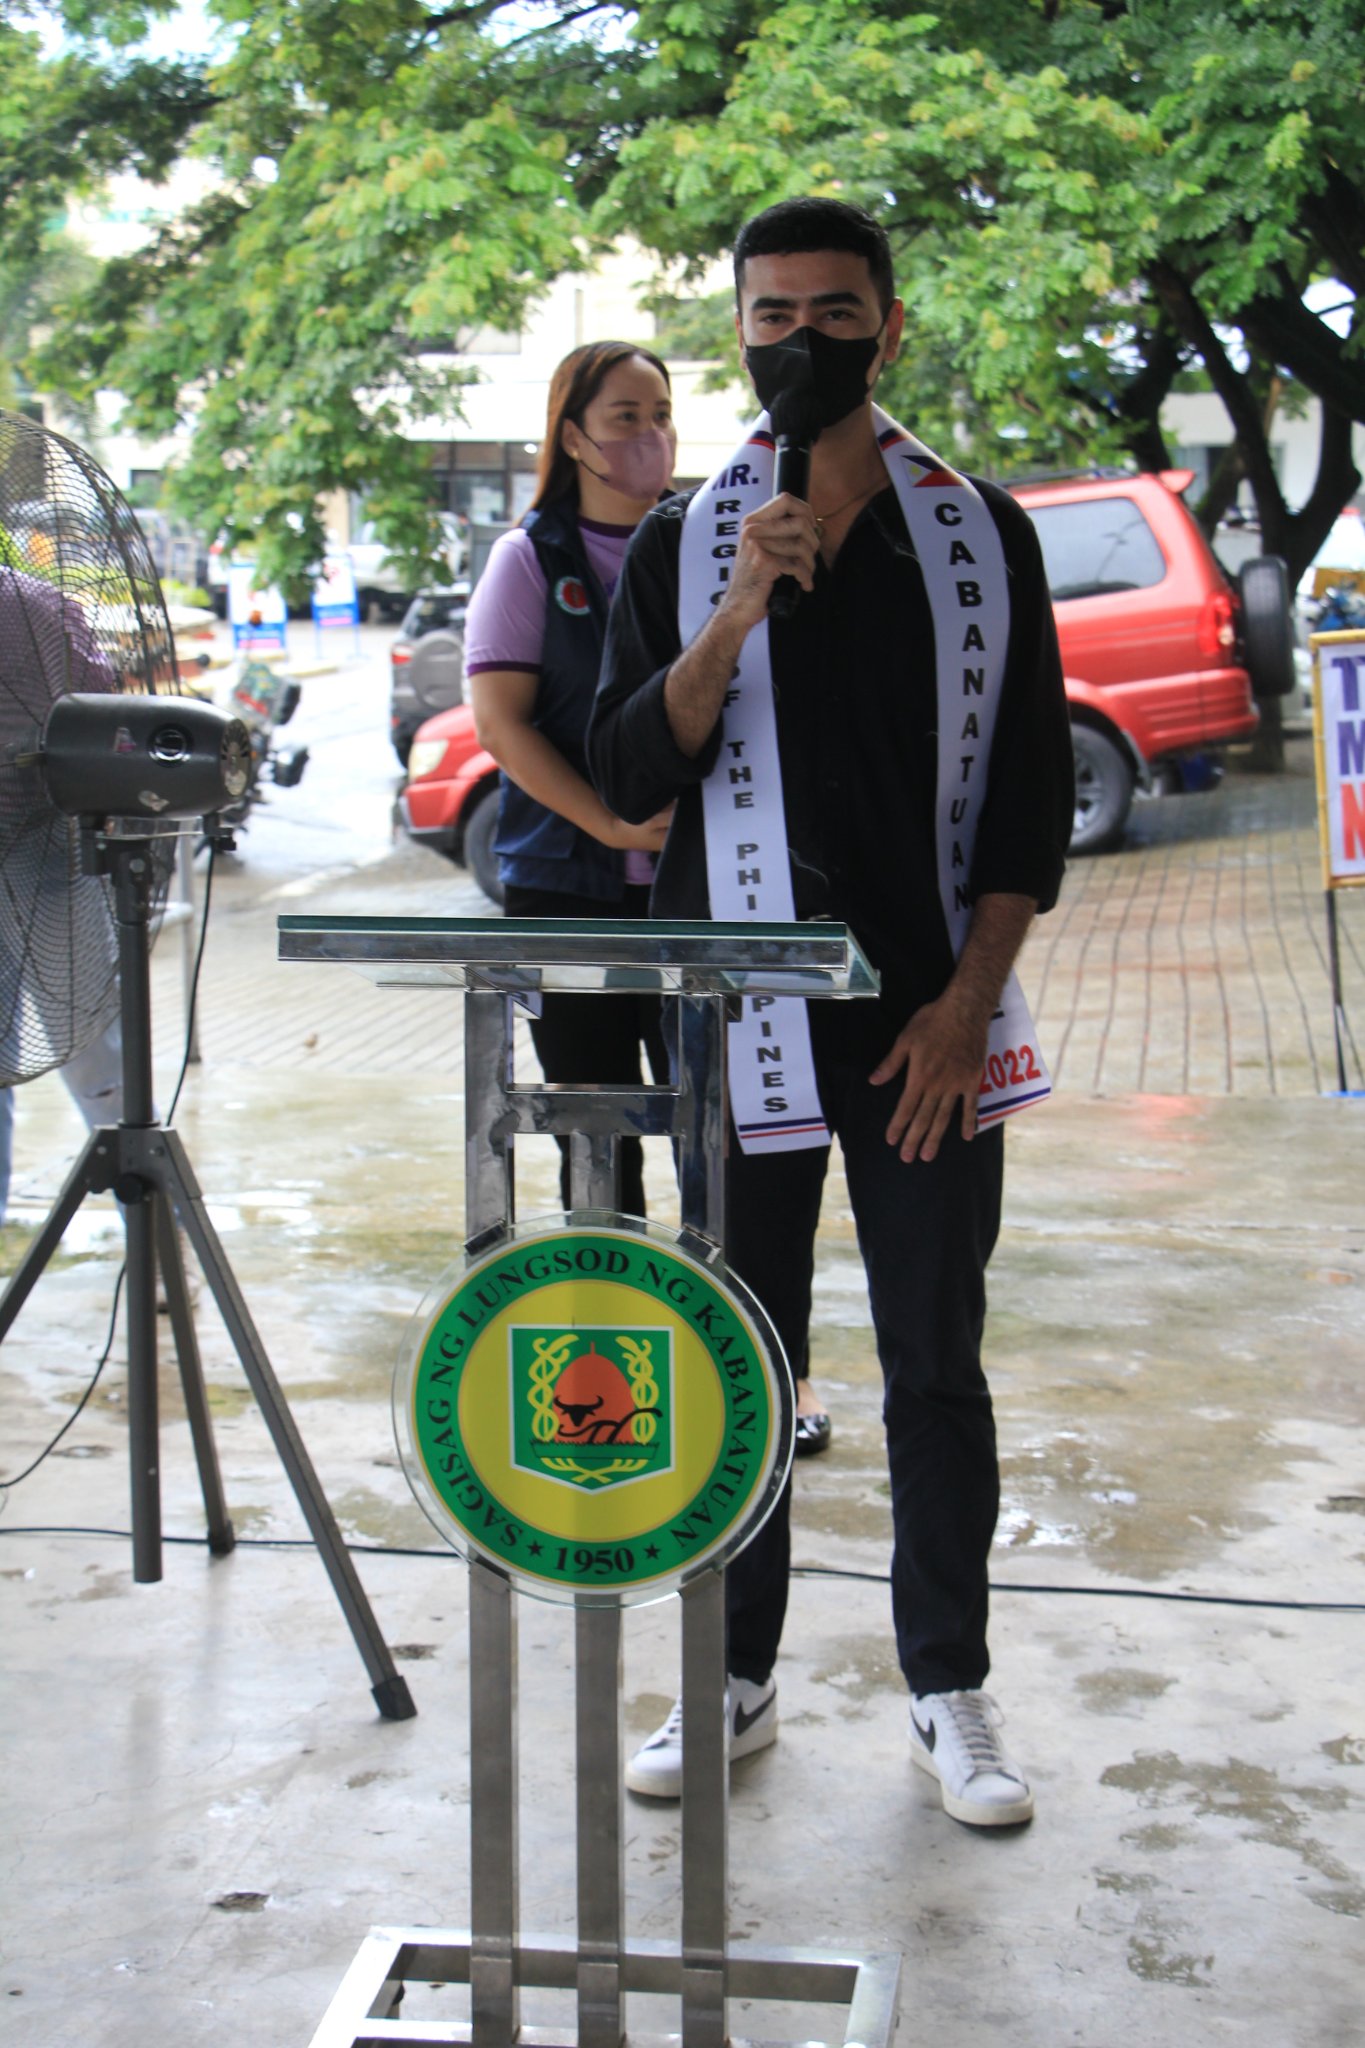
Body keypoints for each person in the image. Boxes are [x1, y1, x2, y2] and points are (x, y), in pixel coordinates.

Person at [587, 198, 1073, 1827]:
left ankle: (948, 1683)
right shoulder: (685, 537)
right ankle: (731, 1672)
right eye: (772, 314)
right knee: (741, 1357)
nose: (804, 340)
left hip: (929, 1020)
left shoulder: (976, 532)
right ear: (738, 329)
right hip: (739, 1018)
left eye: (836, 309)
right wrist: (733, 610)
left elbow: (1024, 808)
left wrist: (963, 1006)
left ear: (892, 323)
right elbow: (632, 771)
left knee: (935, 1351)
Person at [465, 341, 679, 1219]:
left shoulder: (707, 542)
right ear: (574, 437)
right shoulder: (530, 559)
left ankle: (729, 1339)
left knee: (724, 1128)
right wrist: (608, 824)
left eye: (660, 416)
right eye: (624, 418)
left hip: (694, 892)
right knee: (596, 1135)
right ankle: (602, 1324)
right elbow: (499, 724)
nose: (648, 437)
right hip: (567, 889)